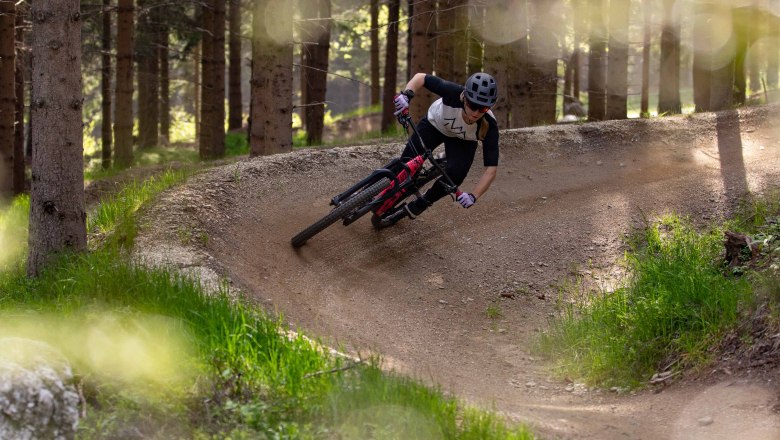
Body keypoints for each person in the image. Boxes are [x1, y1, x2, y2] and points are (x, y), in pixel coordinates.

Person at [379, 72, 500, 226]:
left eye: (482, 108)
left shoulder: (490, 126)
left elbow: (491, 170)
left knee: (455, 176)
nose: (475, 113)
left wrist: (473, 196)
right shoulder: (453, 92)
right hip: (434, 125)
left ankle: (423, 202)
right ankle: (372, 191)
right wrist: (406, 95)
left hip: (463, 141)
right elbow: (421, 77)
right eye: (472, 105)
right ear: (465, 97)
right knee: (405, 165)